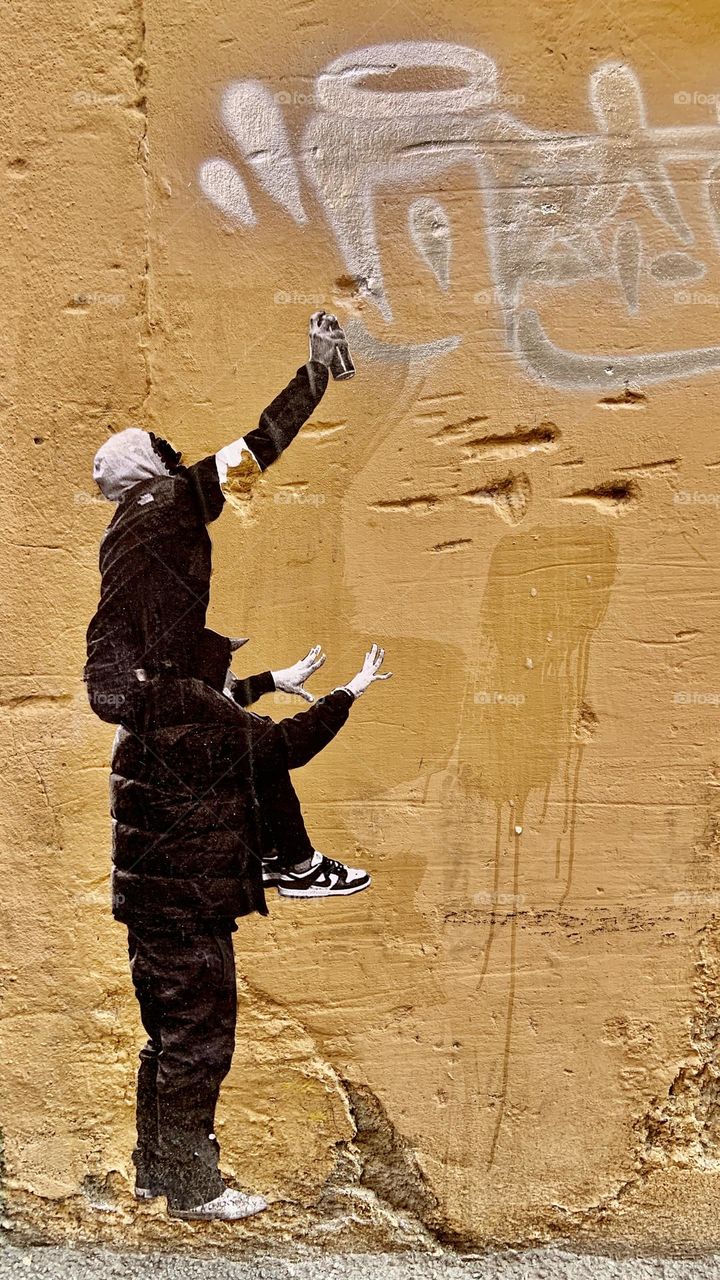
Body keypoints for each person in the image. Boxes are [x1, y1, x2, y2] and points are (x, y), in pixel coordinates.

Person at [112, 643, 390, 1220]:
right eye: (228, 666)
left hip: (152, 909)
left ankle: (155, 1170)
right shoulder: (192, 712)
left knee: (169, 1044)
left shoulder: (153, 708)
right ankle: (194, 1189)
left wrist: (269, 680)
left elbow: (217, 711)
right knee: (200, 1048)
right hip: (189, 913)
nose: (233, 675)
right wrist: (349, 693)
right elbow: (283, 747)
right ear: (199, 673)